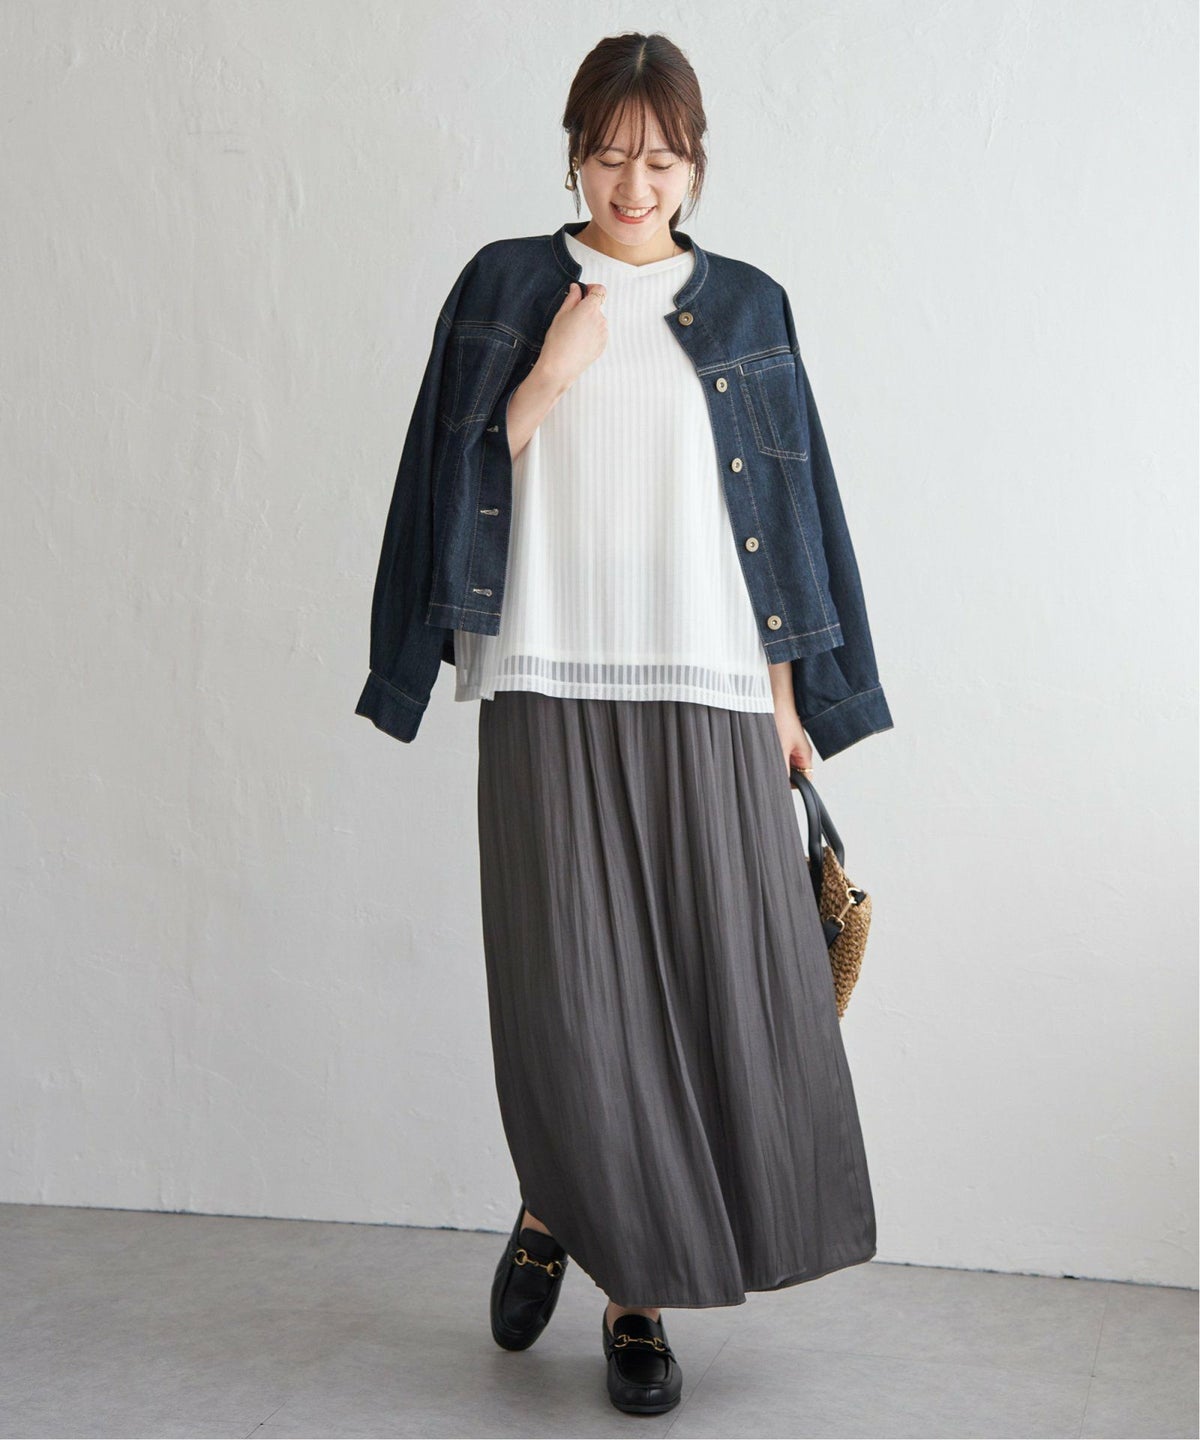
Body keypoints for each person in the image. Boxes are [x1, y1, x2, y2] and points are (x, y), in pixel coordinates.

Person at [359, 30, 893, 1419]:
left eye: (660, 159)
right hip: (545, 677)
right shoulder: (506, 286)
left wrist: (792, 706)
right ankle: (622, 1282)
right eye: (609, 155)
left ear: (695, 165)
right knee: (575, 992)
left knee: (725, 984)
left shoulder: (751, 307)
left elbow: (789, 512)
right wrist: (548, 373)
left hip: (709, 683)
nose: (633, 184)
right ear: (574, 156)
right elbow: (440, 482)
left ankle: (577, 1227)